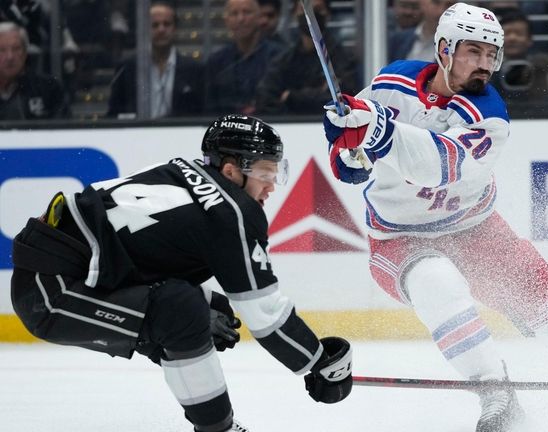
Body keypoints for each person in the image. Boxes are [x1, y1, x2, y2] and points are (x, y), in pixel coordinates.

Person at [321, 3, 548, 432]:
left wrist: (376, 131)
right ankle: (496, 395)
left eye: (492, 54)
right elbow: (353, 162)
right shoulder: (392, 81)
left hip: (477, 232)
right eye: (474, 51)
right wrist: (348, 147)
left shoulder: (489, 115)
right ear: (444, 49)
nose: (485, 64)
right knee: (436, 282)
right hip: (397, 238)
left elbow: (438, 165)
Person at [10, 114, 353, 432]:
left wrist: (204, 305)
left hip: (49, 274)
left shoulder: (180, 169)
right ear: (232, 171)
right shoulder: (233, 213)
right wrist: (318, 361)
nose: (271, 186)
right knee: (183, 312)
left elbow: (142, 256)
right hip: (52, 296)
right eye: (265, 174)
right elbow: (266, 316)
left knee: (199, 308)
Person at [253, 0, 358, 115]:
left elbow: (343, 100)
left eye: (317, 10)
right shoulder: (284, 60)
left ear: (327, 15)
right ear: (294, 15)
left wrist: (290, 97)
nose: (310, 15)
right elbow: (264, 99)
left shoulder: (343, 59)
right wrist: (317, 92)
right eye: (305, 9)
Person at [107, 1, 205, 119]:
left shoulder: (194, 70)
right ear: (144, 29)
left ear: (175, 29)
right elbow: (113, 114)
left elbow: (200, 115)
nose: (161, 30)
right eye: (154, 25)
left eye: (167, 24)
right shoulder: (127, 68)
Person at [205, 0, 283, 114]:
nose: (240, 19)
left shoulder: (279, 56)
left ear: (258, 17)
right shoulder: (216, 62)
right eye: (234, 14)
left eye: (247, 12)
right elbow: (209, 107)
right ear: (227, 21)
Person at [0, 22, 69, 120]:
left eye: (16, 49)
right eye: (2, 50)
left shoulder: (48, 89)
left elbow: (64, 130)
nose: (10, 57)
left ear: (25, 53)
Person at [387, 0, 455, 62]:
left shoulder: (457, 48)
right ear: (422, 2)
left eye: (449, 5)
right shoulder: (398, 40)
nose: (440, 11)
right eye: (435, 2)